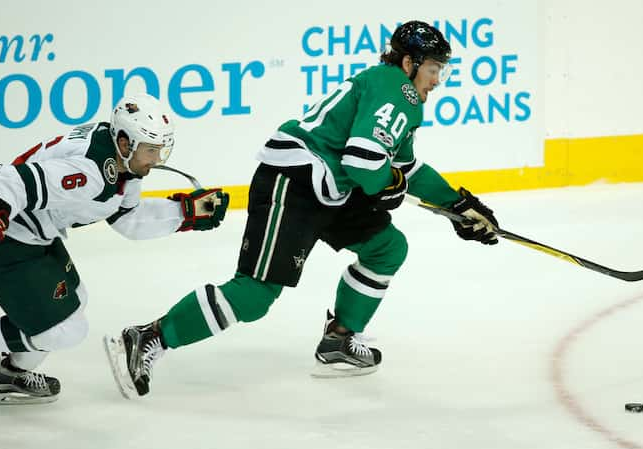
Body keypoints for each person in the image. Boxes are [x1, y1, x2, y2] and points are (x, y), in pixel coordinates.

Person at [104, 21, 499, 398]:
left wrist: (457, 204)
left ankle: (339, 339)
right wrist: (386, 186)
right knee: (255, 295)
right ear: (409, 63)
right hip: (294, 181)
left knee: (387, 247)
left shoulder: (396, 94)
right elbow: (364, 164)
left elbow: (404, 169)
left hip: (329, 185)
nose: (436, 80)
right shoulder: (396, 87)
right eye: (433, 69)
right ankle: (148, 337)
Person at [0, 93, 230, 405]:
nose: (157, 158)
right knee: (66, 330)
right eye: (151, 150)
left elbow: (127, 218)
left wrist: (184, 213)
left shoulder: (120, 159)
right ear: (125, 143)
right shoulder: (93, 174)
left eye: (160, 149)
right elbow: (13, 180)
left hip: (32, 230)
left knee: (75, 299)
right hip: (3, 236)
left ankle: (12, 376)